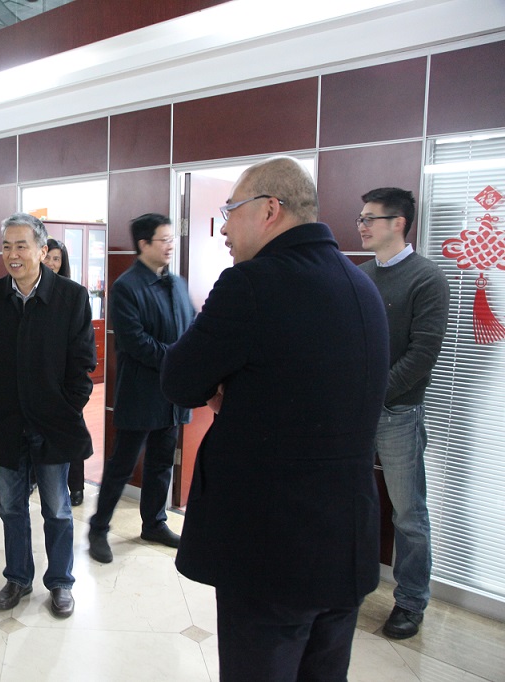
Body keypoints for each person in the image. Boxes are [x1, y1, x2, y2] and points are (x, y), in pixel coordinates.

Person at [160, 157, 389, 681]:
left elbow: (179, 380)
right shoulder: (362, 286)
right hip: (346, 544)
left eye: (230, 211)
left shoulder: (252, 284)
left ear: (269, 210)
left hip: (271, 550)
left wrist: (226, 389)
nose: (222, 229)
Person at [0, 213, 95, 619]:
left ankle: (60, 582)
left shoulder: (71, 297)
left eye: (21, 246)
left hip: (53, 423)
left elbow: (83, 361)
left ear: (42, 250)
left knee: (57, 508)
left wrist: (68, 405)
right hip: (5, 422)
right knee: (11, 507)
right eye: (6, 246)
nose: (13, 254)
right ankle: (18, 577)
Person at [357, 187, 449, 640]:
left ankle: (411, 600)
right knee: (353, 502)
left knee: (409, 512)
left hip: (398, 414)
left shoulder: (427, 278)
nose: (362, 225)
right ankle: (352, 583)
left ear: (398, 223)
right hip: (354, 413)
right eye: (361, 217)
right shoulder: (360, 275)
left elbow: (422, 355)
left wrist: (373, 394)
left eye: (370, 218)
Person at [88, 214, 194, 564]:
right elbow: (135, 342)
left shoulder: (177, 283)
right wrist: (179, 358)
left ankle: (154, 523)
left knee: (162, 462)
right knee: (122, 464)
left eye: (172, 239)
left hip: (172, 395)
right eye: (164, 239)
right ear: (144, 244)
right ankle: (98, 528)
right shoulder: (126, 287)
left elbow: (192, 325)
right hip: (141, 393)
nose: (170, 245)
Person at [43, 238, 85, 507]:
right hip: (41, 381)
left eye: (56, 259)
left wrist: (77, 392)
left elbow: (82, 350)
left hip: (66, 383)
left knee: (72, 433)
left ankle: (76, 486)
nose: (51, 263)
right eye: (48, 257)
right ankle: (37, 479)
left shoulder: (72, 295)